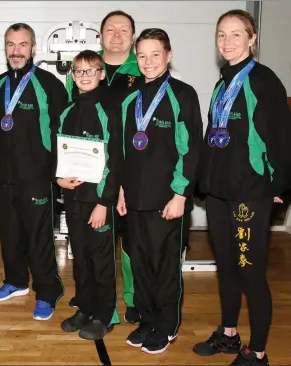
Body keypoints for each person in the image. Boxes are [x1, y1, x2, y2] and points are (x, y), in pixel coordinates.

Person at [193, 10, 291, 366]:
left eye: (236, 34)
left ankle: (259, 351)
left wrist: (280, 184)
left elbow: (280, 139)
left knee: (249, 267)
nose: (228, 41)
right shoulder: (222, 84)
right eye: (222, 34)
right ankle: (229, 333)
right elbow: (212, 137)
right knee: (228, 265)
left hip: (250, 192)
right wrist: (203, 181)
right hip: (220, 192)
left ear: (252, 39)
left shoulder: (264, 82)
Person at [117, 28, 202, 354]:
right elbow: (125, 150)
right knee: (140, 264)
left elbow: (191, 149)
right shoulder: (130, 99)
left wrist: (180, 194)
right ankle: (149, 320)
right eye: (142, 55)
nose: (149, 61)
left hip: (168, 201)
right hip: (135, 201)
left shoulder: (183, 94)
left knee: (165, 269)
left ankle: (166, 327)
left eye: (155, 54)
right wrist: (123, 190)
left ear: (168, 55)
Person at [65, 11, 142, 324]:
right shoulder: (86, 67)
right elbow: (69, 141)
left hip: (128, 172)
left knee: (128, 244)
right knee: (85, 251)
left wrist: (111, 192)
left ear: (133, 36)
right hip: (82, 184)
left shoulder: (145, 67)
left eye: (124, 30)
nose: (117, 35)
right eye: (111, 29)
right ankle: (88, 302)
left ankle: (130, 300)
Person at [0, 23, 66, 320]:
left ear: (33, 48)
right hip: (4, 173)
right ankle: (16, 280)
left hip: (38, 175)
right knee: (10, 233)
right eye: (10, 44)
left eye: (22, 45)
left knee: (39, 237)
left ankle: (48, 290)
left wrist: (59, 174)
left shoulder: (50, 85)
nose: (16, 51)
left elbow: (62, 132)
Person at [56, 50, 121, 338]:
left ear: (102, 74)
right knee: (80, 257)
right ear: (72, 75)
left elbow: (115, 161)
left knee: (101, 260)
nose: (84, 76)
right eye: (79, 71)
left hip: (97, 202)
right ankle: (85, 307)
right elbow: (59, 154)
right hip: (72, 199)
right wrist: (58, 179)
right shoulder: (67, 112)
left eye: (91, 70)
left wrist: (103, 202)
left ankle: (105, 314)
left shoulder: (109, 112)